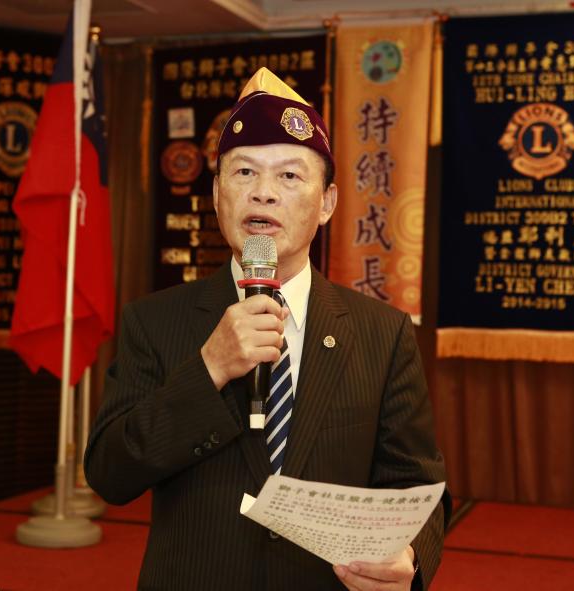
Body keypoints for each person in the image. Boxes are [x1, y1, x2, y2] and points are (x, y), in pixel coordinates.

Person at [85, 67, 450, 591]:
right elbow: (110, 474)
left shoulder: (381, 333)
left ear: (327, 203)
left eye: (290, 176)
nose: (263, 194)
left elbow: (416, 485)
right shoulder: (155, 321)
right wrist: (208, 369)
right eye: (244, 172)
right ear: (217, 194)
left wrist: (408, 558)